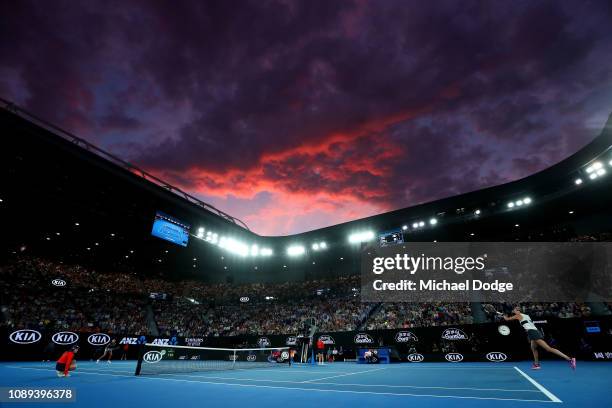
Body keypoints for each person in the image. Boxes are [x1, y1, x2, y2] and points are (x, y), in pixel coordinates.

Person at [502, 306, 576, 370]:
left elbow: (507, 319)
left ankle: (569, 359)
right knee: (533, 348)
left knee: (548, 349)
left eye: (515, 309)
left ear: (518, 311)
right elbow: (526, 324)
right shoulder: (526, 315)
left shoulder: (518, 315)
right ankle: (536, 364)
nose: (514, 310)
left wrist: (504, 316)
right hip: (533, 332)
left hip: (533, 332)